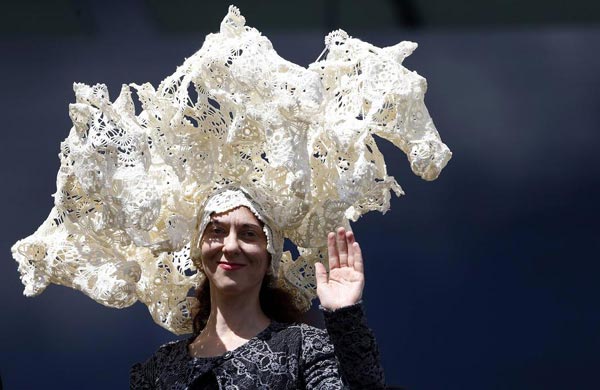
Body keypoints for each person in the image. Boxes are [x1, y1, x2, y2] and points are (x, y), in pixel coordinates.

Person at [130, 190, 385, 389]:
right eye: (217, 231)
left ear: (269, 255)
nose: (230, 247)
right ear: (199, 250)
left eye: (248, 234)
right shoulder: (160, 367)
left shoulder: (302, 348)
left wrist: (345, 315)